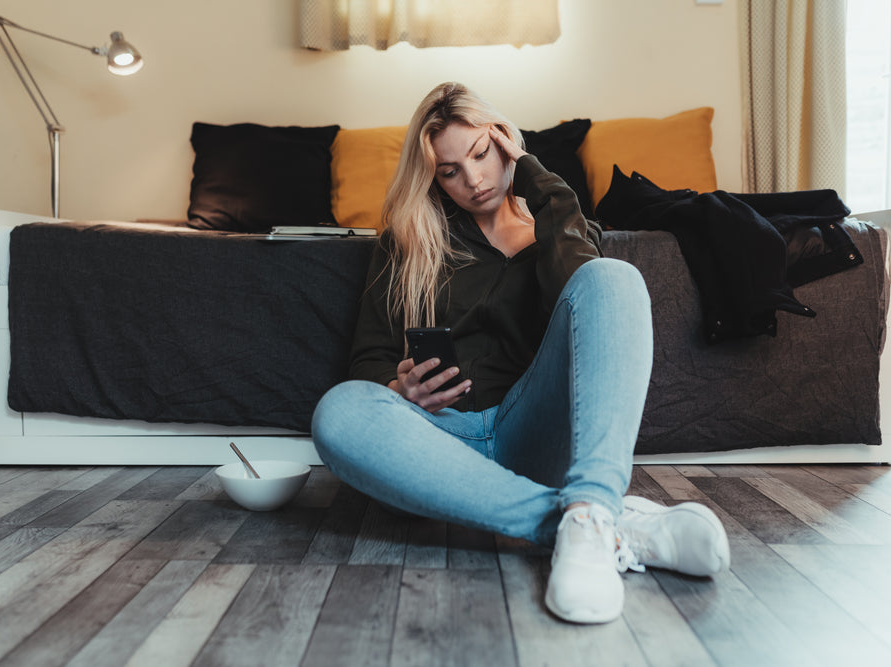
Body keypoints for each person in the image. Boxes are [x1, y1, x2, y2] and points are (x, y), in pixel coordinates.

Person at [312, 82, 729, 624]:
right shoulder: (409, 240)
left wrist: (533, 174)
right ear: (433, 177)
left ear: (505, 140)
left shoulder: (559, 226)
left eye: (482, 154)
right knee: (338, 411)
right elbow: (366, 361)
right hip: (439, 447)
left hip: (535, 434)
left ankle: (589, 508)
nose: (474, 180)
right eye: (449, 171)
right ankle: (596, 522)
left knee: (612, 278)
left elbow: (588, 303)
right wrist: (400, 389)